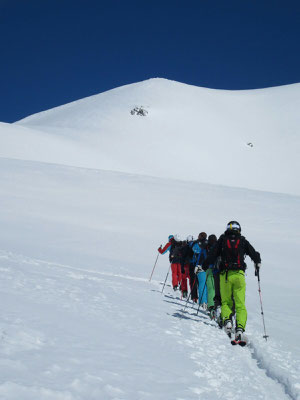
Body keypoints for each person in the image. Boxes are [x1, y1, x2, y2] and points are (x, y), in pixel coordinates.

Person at [203, 221, 261, 344]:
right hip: (239, 275)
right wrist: (257, 262)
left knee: (226, 302)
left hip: (225, 276)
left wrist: (203, 266)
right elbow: (254, 254)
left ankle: (228, 322)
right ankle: (240, 329)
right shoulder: (242, 240)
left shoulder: (223, 240)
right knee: (240, 303)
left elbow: (212, 254)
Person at [192, 232, 208, 308]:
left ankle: (202, 302)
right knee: (207, 285)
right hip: (208, 267)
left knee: (201, 284)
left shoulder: (198, 244)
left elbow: (195, 250)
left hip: (199, 266)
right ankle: (207, 302)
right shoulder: (208, 243)